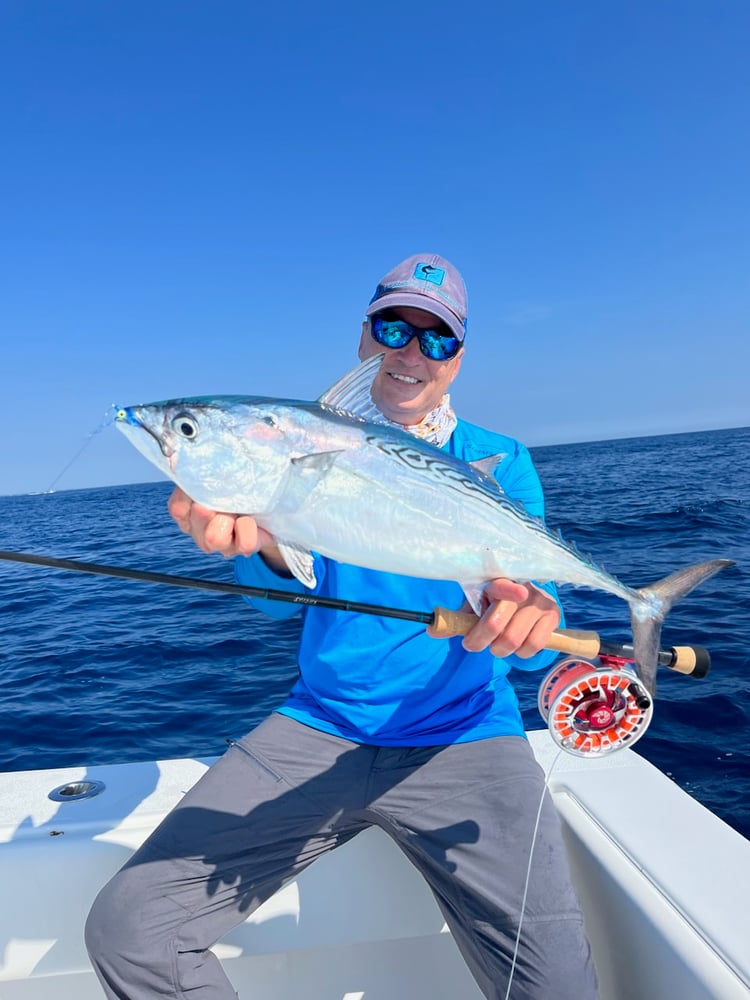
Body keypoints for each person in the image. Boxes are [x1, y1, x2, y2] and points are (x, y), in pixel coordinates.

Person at [85, 254, 599, 999]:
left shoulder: (499, 461)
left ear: (458, 358)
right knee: (129, 932)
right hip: (319, 724)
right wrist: (260, 543)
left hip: (466, 734)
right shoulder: (279, 439)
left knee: (558, 989)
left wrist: (533, 609)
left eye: (438, 339)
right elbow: (272, 602)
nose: (411, 351)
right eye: (393, 326)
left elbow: (526, 619)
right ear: (364, 334)